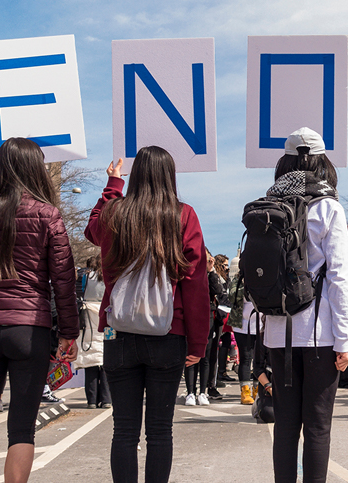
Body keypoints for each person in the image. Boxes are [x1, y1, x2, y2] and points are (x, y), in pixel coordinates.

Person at [0, 139, 79, 483]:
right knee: (22, 427)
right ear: (36, 169)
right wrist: (69, 332)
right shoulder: (47, 214)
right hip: (29, 328)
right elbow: (63, 280)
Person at [86, 147, 209, 483]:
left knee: (123, 430)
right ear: (170, 175)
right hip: (169, 332)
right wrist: (197, 341)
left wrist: (113, 184)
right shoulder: (183, 215)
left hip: (119, 333)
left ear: (136, 175)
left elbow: (90, 231)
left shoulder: (115, 212)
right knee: (159, 431)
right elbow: (195, 283)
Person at [259, 128, 348, 483]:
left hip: (277, 332)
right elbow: (341, 277)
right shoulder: (329, 207)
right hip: (320, 334)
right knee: (317, 426)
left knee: (285, 425)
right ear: (322, 162)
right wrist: (344, 340)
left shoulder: (269, 206)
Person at [75, 256, 110, 409]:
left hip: (87, 316)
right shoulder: (109, 275)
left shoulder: (85, 276)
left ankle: (91, 400)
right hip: (106, 316)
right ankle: (107, 398)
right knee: (106, 360)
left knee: (90, 360)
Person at [182, 249, 216, 407]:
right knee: (190, 357)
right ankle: (190, 392)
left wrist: (211, 271)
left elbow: (219, 291)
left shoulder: (210, 276)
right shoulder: (189, 273)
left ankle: (203, 392)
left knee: (205, 357)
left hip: (206, 317)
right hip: (189, 316)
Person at [228, 261, 259, 405]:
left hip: (260, 325)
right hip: (242, 326)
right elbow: (232, 297)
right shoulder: (238, 281)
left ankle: (258, 388)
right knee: (246, 358)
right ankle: (245, 390)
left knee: (259, 359)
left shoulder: (262, 279)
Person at [204, 254, 229, 399]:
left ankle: (211, 385)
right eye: (224, 265)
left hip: (217, 318)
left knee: (213, 353)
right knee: (204, 354)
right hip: (205, 316)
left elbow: (223, 295)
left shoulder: (219, 278)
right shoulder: (206, 275)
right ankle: (196, 388)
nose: (226, 268)